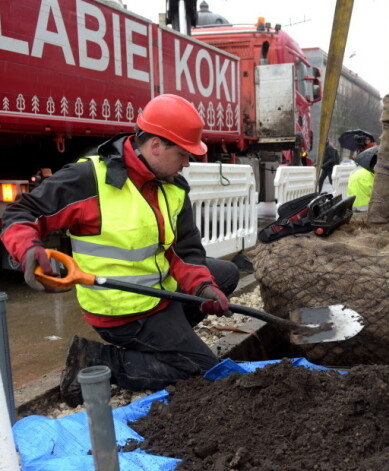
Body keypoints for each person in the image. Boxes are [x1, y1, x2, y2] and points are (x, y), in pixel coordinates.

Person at [0, 94, 240, 406]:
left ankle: (166, 341)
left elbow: (183, 252)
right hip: (123, 311)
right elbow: (21, 215)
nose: (186, 163)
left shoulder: (172, 186)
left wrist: (202, 287)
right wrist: (29, 251)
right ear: (155, 146)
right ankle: (99, 361)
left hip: (158, 293)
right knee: (199, 370)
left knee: (226, 275)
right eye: (182, 153)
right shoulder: (90, 180)